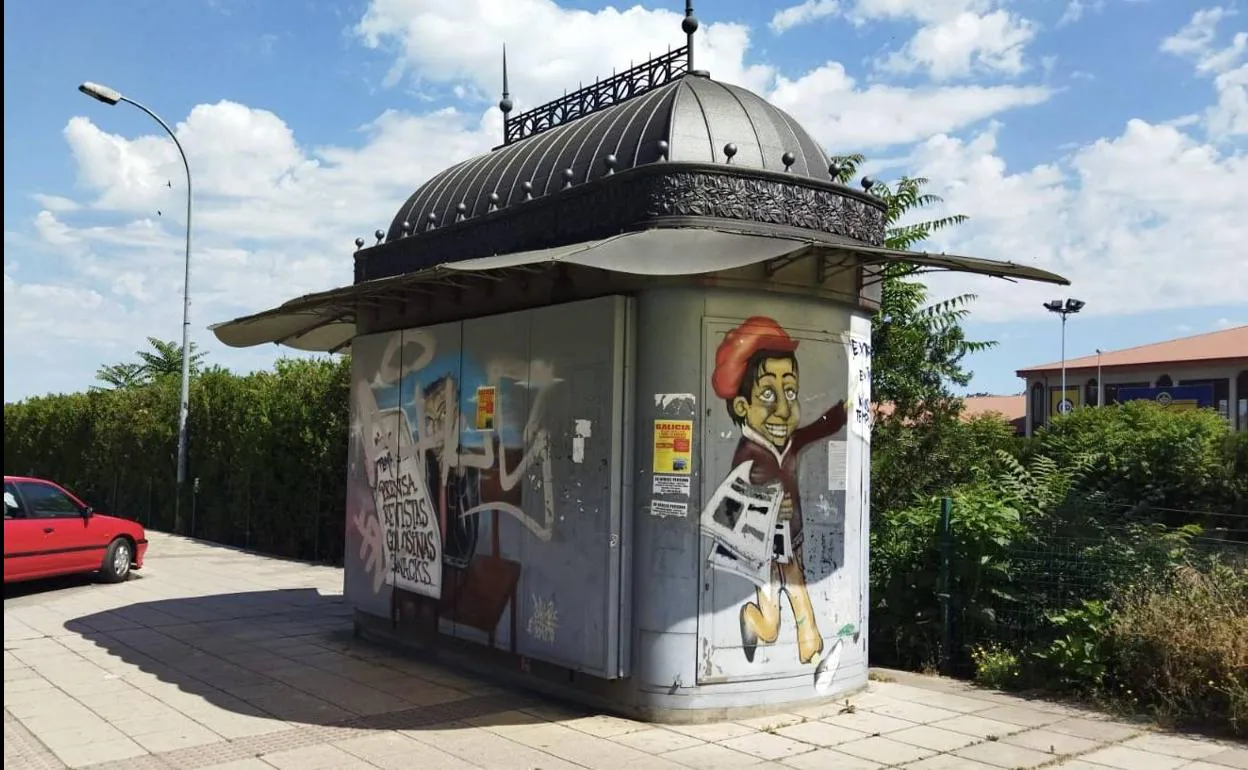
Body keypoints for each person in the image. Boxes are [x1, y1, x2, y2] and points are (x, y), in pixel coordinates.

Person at [710, 316, 848, 664]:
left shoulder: (789, 441)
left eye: (790, 392)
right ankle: (760, 622)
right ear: (742, 407)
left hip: (790, 533)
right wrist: (767, 507)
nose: (785, 409)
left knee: (794, 576)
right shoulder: (748, 453)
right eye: (769, 394)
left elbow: (818, 428)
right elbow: (729, 504)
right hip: (761, 542)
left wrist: (847, 409)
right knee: (773, 598)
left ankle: (808, 635)